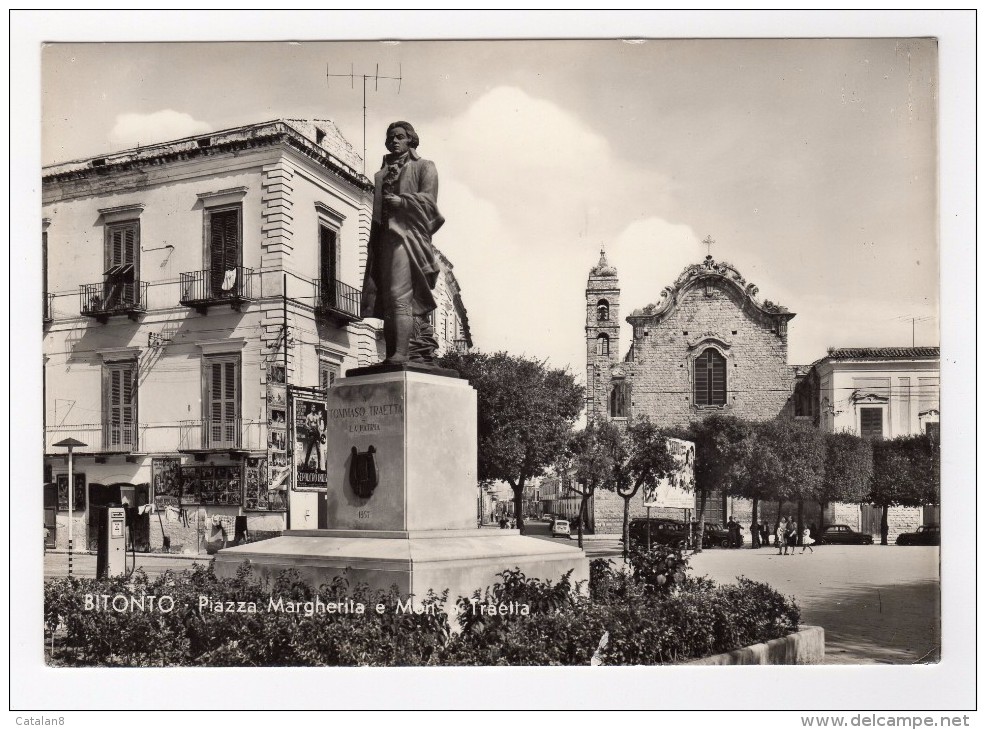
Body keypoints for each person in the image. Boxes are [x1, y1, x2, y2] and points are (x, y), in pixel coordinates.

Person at [360, 121, 445, 366]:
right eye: (390, 138)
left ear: (411, 140)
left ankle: (402, 353)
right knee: (386, 297)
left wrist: (403, 202)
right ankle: (392, 354)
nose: (394, 141)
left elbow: (430, 202)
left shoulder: (425, 167)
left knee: (399, 294)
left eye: (399, 137)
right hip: (383, 240)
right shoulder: (383, 172)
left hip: (407, 238)